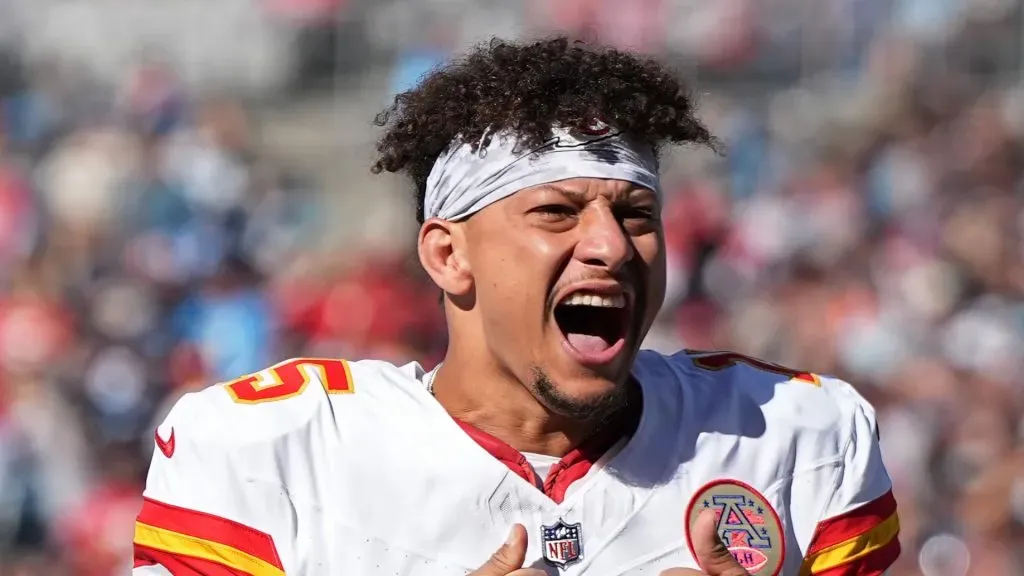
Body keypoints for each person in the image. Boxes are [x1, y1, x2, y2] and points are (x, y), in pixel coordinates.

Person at [131, 37, 899, 576]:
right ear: (447, 254)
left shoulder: (797, 436)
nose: (612, 246)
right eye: (558, 213)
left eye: (636, 214)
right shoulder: (275, 451)